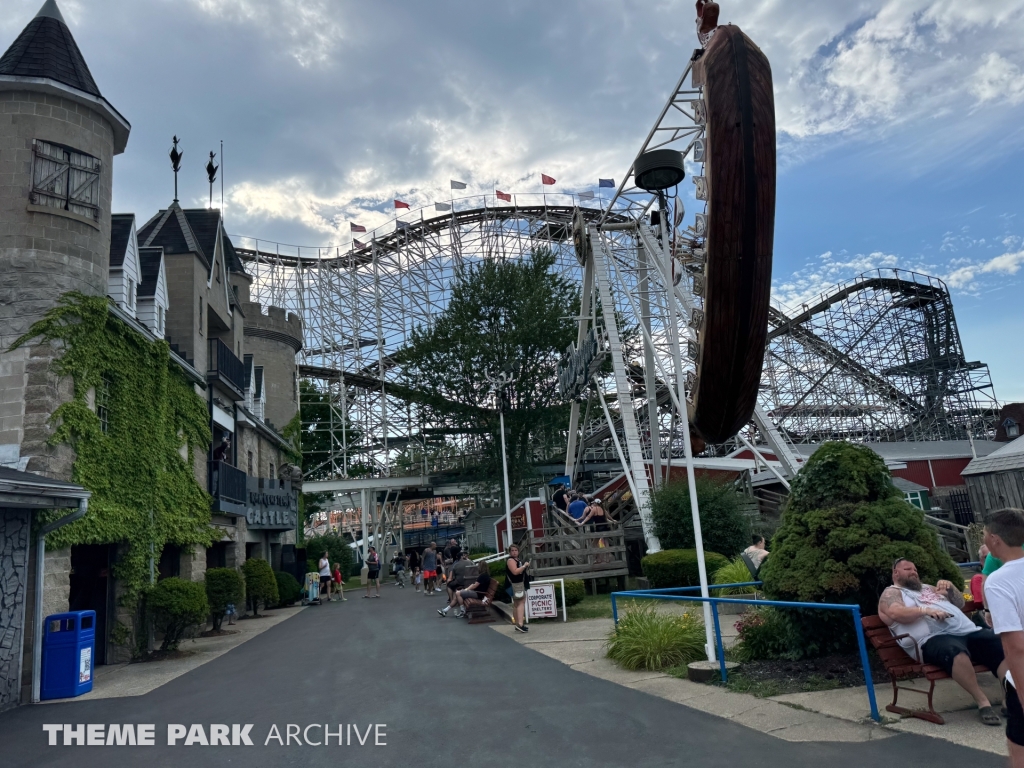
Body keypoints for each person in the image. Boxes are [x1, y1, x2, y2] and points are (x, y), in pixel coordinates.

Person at [878, 558, 1007, 725]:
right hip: (932, 639)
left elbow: (960, 603)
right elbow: (896, 613)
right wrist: (925, 610)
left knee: (1001, 644)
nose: (914, 572)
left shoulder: (928, 588)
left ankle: (1009, 698)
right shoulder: (891, 593)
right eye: (908, 569)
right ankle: (983, 702)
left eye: (915, 569)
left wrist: (951, 588)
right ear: (896, 573)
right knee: (955, 652)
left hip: (967, 631)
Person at [982, 508, 1024, 765]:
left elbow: (1016, 647)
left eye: (985, 534)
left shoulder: (998, 581)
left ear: (995, 539)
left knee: (1019, 751)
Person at [505, 544, 531, 633]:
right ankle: (520, 624)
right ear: (509, 552)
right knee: (521, 602)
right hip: (515, 585)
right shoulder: (510, 560)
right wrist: (524, 566)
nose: (514, 552)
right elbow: (515, 572)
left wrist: (525, 566)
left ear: (518, 551)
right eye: (512, 550)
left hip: (517, 584)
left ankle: (517, 624)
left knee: (516, 604)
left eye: (516, 550)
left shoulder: (517, 560)